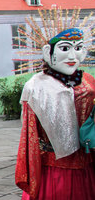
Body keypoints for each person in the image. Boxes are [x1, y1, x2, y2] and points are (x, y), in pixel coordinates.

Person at [15, 24, 95, 199]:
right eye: (65, 48)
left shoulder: (89, 82)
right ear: (47, 52)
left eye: (79, 48)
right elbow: (30, 134)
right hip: (53, 169)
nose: (73, 56)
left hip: (86, 164)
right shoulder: (36, 87)